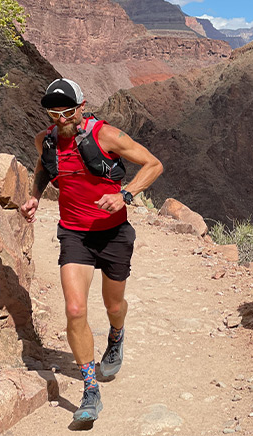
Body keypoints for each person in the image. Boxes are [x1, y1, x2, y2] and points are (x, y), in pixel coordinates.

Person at [20, 78, 163, 424]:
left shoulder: (107, 136)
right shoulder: (47, 140)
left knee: (114, 305)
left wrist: (124, 196)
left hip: (113, 234)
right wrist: (35, 196)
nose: (61, 119)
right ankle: (90, 390)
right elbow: (43, 167)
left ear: (82, 107)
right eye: (54, 113)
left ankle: (116, 335)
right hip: (74, 234)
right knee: (74, 308)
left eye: (68, 112)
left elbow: (153, 164)